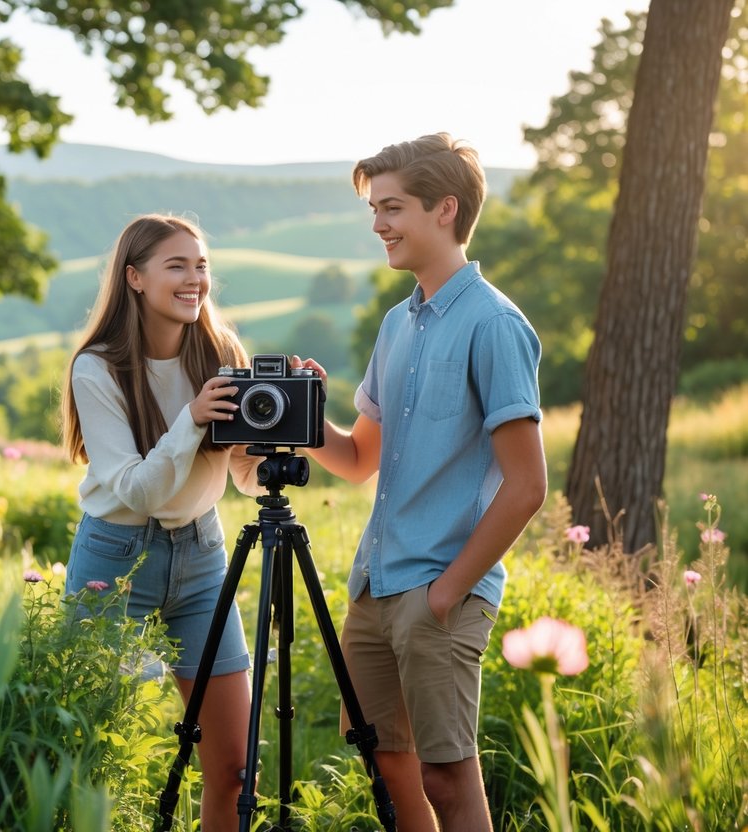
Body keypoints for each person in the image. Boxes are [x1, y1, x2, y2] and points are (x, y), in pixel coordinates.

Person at [294, 133, 548, 831]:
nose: (377, 224)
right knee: (384, 760)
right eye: (373, 209)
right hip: (375, 585)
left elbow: (526, 486)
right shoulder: (395, 324)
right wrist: (303, 412)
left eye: (391, 208)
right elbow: (356, 460)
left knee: (446, 773)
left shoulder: (493, 324)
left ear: (444, 209)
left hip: (440, 586)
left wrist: (447, 590)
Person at [59, 213, 265, 831]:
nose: (194, 279)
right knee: (89, 755)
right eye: (176, 265)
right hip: (115, 559)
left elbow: (244, 476)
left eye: (200, 265)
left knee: (233, 766)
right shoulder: (96, 368)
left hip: (202, 556)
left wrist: (283, 432)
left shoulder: (221, 353)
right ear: (135, 278)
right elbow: (137, 492)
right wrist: (195, 419)